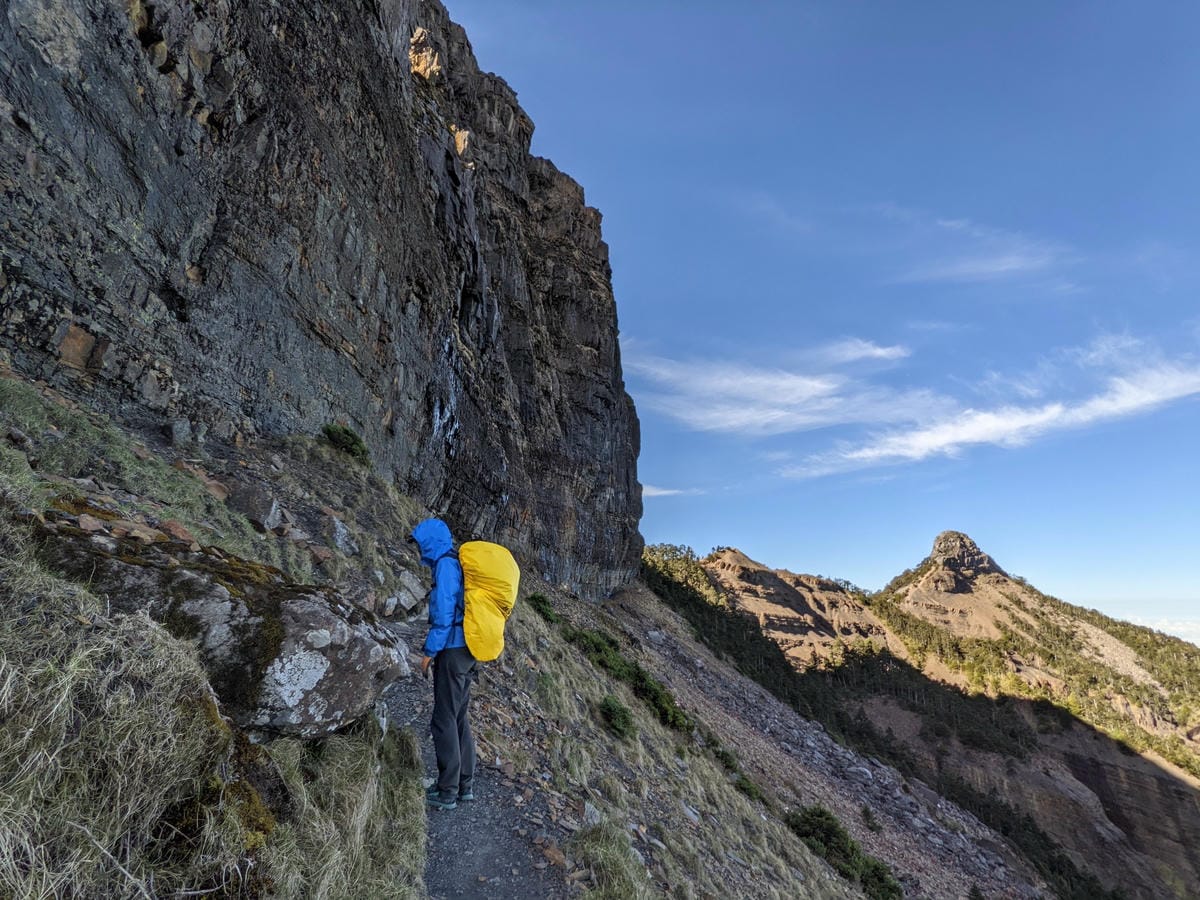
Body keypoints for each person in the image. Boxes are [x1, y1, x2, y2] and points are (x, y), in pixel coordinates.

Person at [410, 517, 477, 811]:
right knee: (458, 716)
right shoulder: (456, 563)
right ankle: (464, 786)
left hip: (452, 648)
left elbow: (444, 613)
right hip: (468, 648)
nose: (418, 550)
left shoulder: (447, 567)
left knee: (443, 719)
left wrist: (429, 652)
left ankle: (447, 791)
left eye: (420, 543)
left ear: (430, 542)